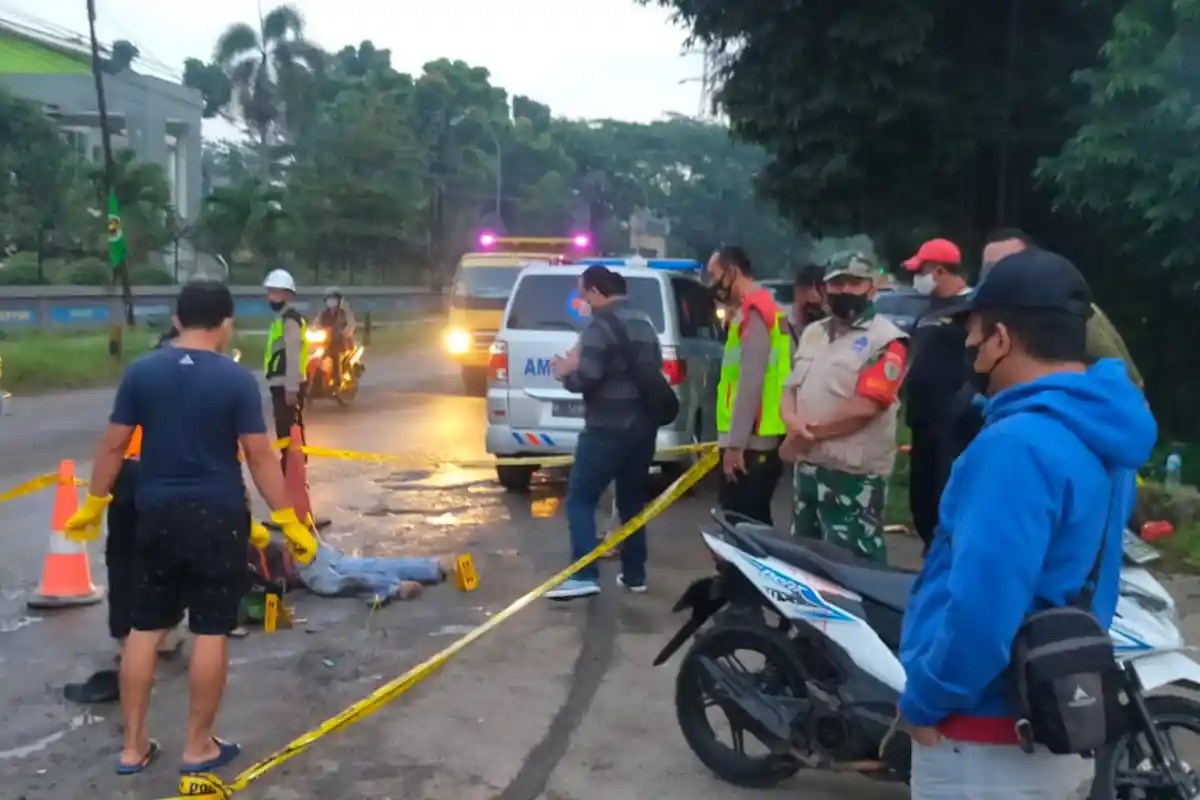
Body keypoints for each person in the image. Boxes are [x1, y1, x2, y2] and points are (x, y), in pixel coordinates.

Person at [897, 248, 1156, 799]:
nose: (966, 344)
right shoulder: (1103, 433)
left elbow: (980, 611)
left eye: (974, 331)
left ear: (1001, 340)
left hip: (983, 740)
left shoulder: (1015, 448)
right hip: (1053, 717)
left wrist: (923, 701)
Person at [61, 280, 319, 776]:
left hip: (154, 513)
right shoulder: (236, 380)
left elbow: (112, 447)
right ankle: (198, 746)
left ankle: (133, 749)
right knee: (209, 629)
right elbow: (261, 457)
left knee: (144, 627)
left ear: (177, 321)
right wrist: (286, 517)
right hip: (217, 515)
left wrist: (95, 502)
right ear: (226, 325)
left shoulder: (142, 372)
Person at [64, 335, 186, 706]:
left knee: (124, 558)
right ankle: (161, 633)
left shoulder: (142, 380)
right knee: (170, 557)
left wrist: (95, 501)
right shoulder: (208, 383)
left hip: (135, 477)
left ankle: (127, 643)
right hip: (179, 480)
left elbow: (114, 444)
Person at [780, 252, 908, 563]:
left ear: (872, 288)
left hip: (853, 481)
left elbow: (866, 407)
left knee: (852, 573)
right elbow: (790, 388)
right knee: (802, 567)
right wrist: (791, 421)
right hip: (808, 473)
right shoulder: (814, 333)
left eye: (855, 282)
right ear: (825, 289)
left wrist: (805, 434)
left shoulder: (887, 341)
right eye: (837, 283)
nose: (845, 290)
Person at [544, 266, 661, 600]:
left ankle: (583, 574)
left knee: (579, 500)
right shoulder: (644, 322)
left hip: (606, 429)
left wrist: (566, 373)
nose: (582, 302)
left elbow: (588, 378)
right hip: (642, 430)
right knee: (631, 503)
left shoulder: (598, 327)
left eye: (583, 295)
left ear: (596, 292)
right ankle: (635, 574)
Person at [982, 228, 1144, 388]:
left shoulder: (1073, 310)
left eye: (1010, 263)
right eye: (990, 269)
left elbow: (1128, 381)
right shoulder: (981, 318)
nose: (1000, 274)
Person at [707, 245, 791, 525]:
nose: (711, 284)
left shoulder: (755, 313)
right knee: (750, 520)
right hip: (758, 436)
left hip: (752, 442)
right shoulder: (765, 310)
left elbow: (750, 381)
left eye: (714, 275)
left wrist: (735, 445)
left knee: (743, 523)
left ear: (732, 272)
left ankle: (741, 572)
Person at [900, 238, 972, 554]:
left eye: (922, 270)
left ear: (940, 271)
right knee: (922, 497)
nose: (918, 278)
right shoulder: (930, 310)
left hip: (950, 422)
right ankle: (930, 547)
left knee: (945, 494)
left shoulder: (972, 308)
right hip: (921, 419)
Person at [263, 269, 308, 468]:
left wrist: (292, 388)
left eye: (276, 292)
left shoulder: (290, 319)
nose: (271, 297)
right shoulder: (280, 319)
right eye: (270, 292)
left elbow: (293, 354)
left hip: (286, 384)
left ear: (288, 295)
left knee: (288, 428)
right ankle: (292, 465)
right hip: (279, 382)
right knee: (285, 428)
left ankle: (293, 467)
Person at [315, 286, 357, 385]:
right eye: (329, 299)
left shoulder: (345, 312)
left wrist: (345, 333)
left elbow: (351, 325)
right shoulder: (323, 312)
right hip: (326, 342)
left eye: (334, 298)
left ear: (339, 300)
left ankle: (337, 380)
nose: (331, 301)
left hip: (342, 343)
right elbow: (317, 324)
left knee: (335, 356)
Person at [790, 263, 827, 342]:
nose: (812, 298)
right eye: (803, 291)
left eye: (819, 289)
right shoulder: (782, 330)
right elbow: (779, 353)